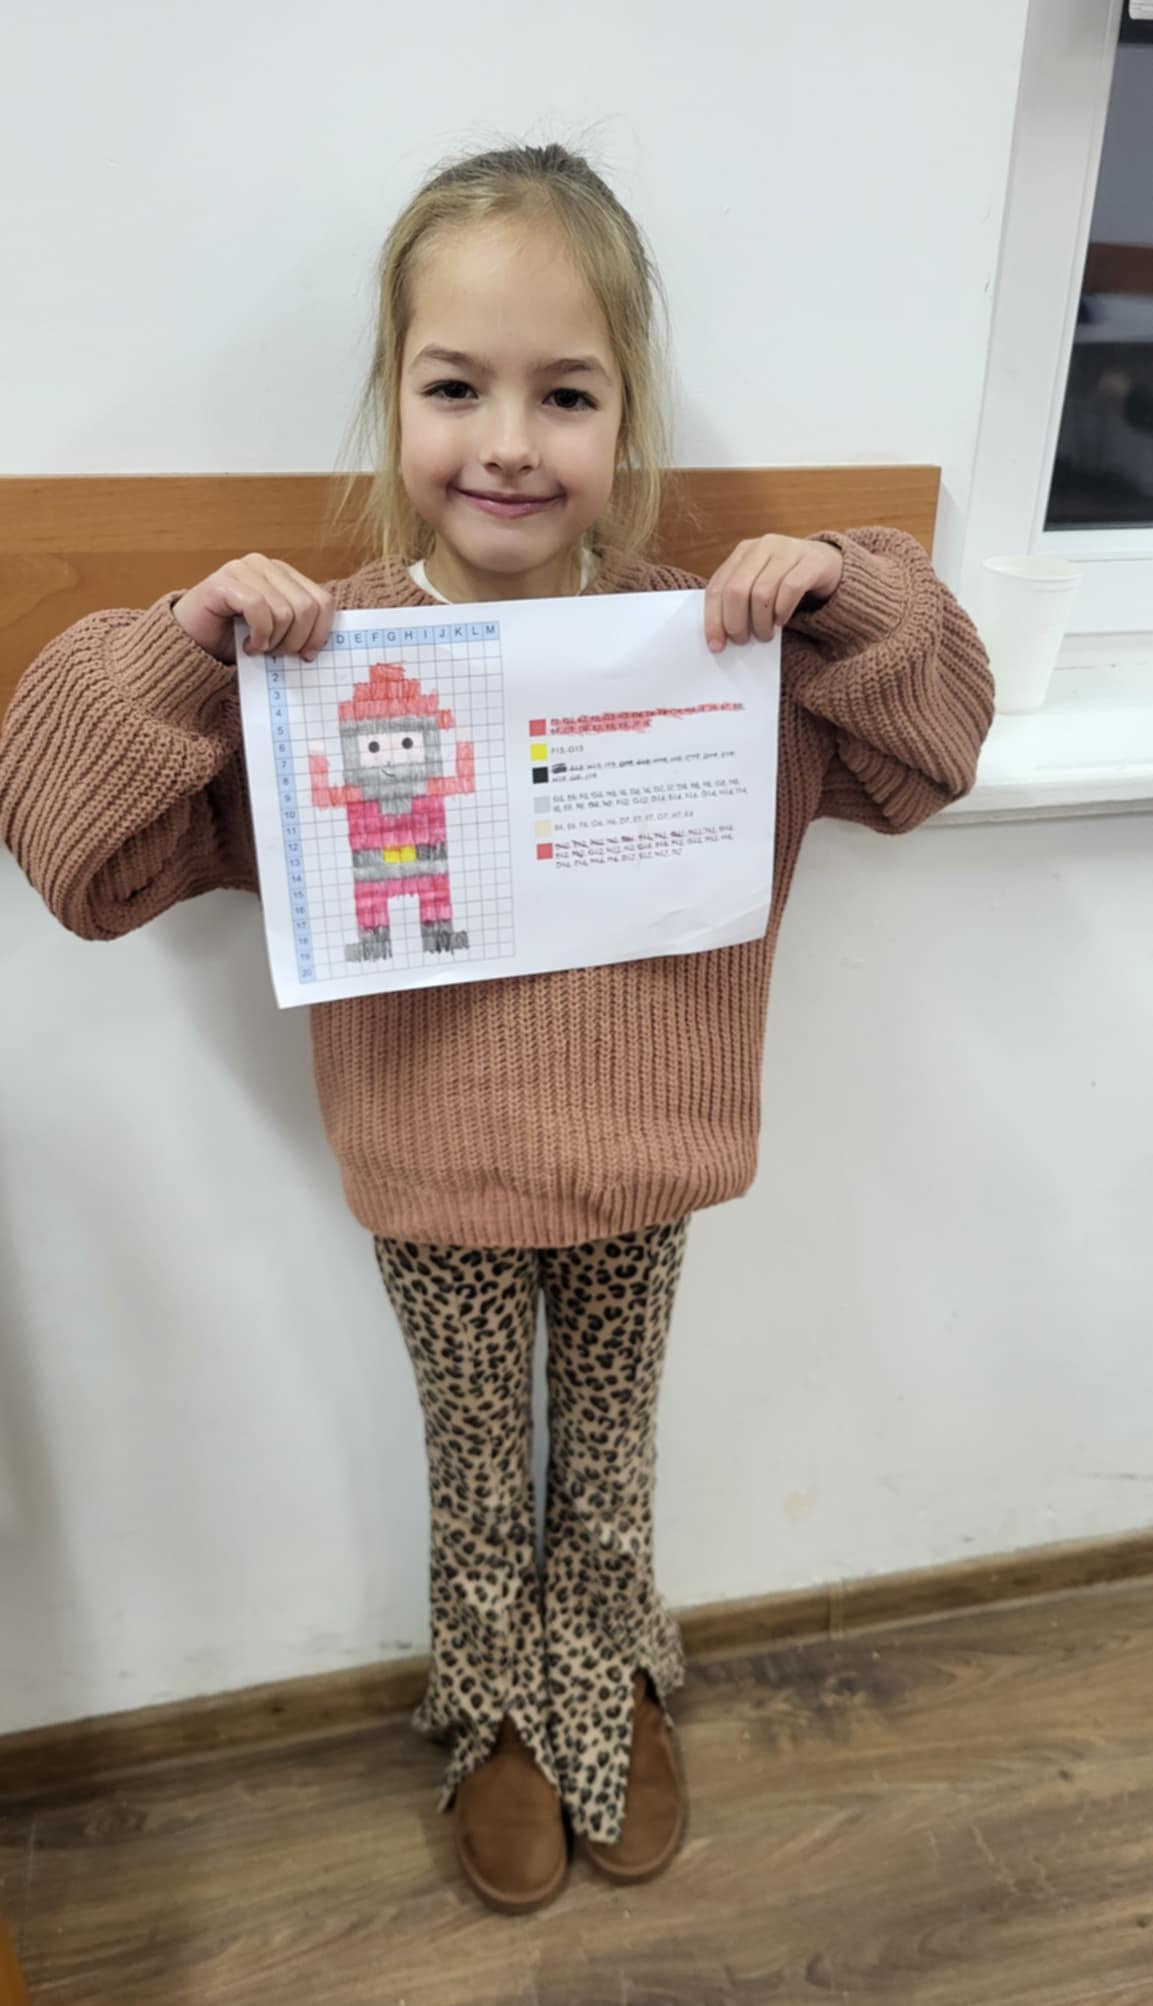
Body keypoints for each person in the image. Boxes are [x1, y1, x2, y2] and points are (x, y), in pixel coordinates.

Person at [0, 142, 994, 1915]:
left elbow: (933, 749)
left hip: (647, 1157)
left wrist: (845, 587)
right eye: (455, 387)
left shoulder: (711, 648)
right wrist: (184, 648)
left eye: (565, 393)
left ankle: (612, 1669)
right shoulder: (321, 669)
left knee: (607, 1451)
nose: (509, 443)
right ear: (391, 399)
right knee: (476, 1467)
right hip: (434, 1170)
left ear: (627, 417)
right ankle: (492, 1712)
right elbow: (80, 857)